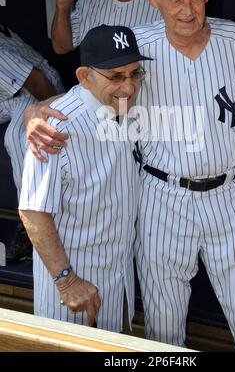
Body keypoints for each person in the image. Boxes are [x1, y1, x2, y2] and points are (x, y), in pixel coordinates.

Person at [24, 0, 235, 351]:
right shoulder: (136, 49)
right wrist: (35, 110)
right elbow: (92, 88)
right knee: (163, 328)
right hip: (162, 198)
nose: (187, 11)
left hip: (232, 196)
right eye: (176, 0)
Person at [18, 25, 149, 331]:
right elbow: (32, 211)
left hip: (117, 277)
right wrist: (66, 280)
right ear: (84, 76)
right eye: (115, 76)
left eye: (134, 74)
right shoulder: (54, 127)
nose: (128, 87)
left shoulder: (123, 105)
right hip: (74, 286)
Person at [0, 24, 65, 263]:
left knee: (19, 139)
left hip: (32, 91)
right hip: (6, 94)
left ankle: (33, 226)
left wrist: (50, 113)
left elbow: (36, 79)